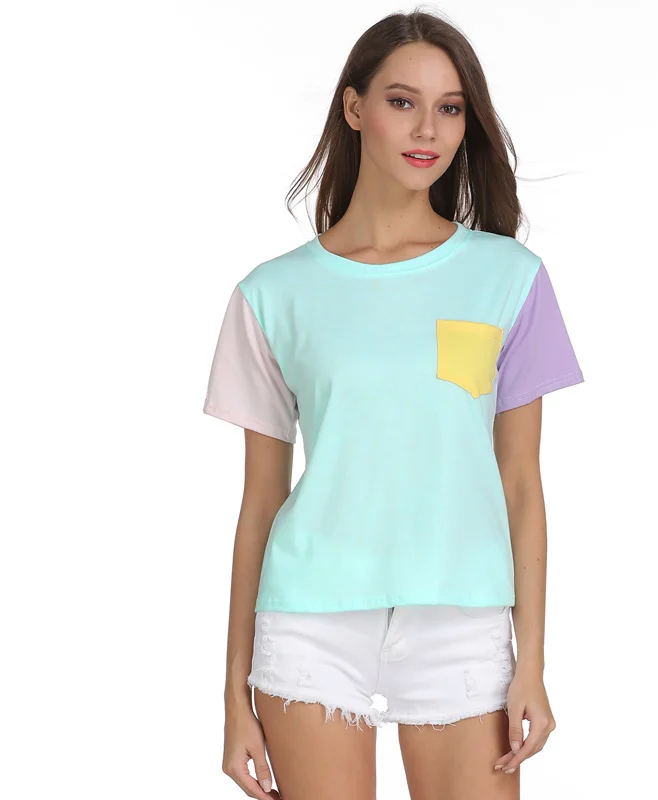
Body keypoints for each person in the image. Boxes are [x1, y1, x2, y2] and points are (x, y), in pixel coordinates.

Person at [203, 8, 584, 799]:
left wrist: (533, 662)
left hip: (462, 620)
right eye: (402, 101)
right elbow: (260, 501)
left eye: (450, 108)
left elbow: (521, 483)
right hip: (309, 621)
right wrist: (233, 695)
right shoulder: (273, 295)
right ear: (354, 108)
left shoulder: (507, 278)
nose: (428, 129)